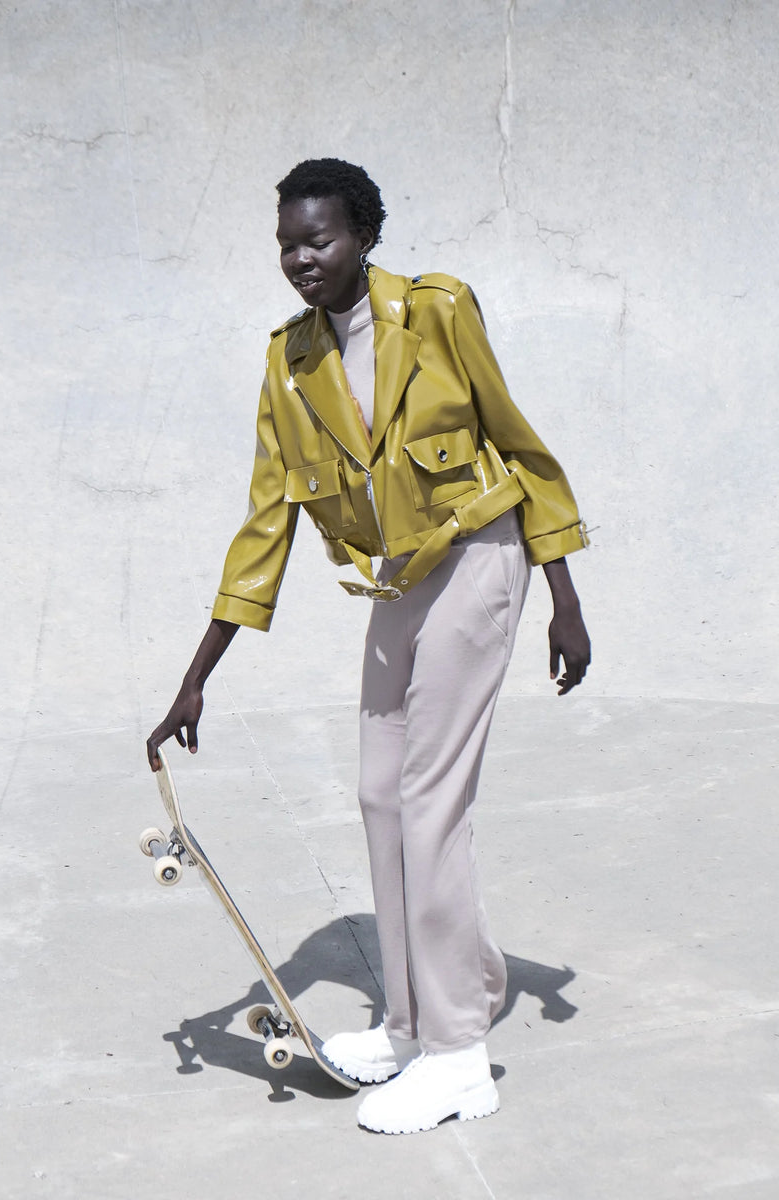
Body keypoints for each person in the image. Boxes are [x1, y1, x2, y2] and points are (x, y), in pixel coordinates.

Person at [146, 157, 591, 1135]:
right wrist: (194, 681)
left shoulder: (435, 312)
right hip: (398, 580)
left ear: (363, 237)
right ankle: (407, 1022)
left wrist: (562, 593)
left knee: (430, 800)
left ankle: (458, 1055)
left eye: (319, 240)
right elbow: (264, 527)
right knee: (378, 792)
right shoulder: (289, 362)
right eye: (285, 245)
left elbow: (517, 444)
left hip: (479, 552)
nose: (300, 259)